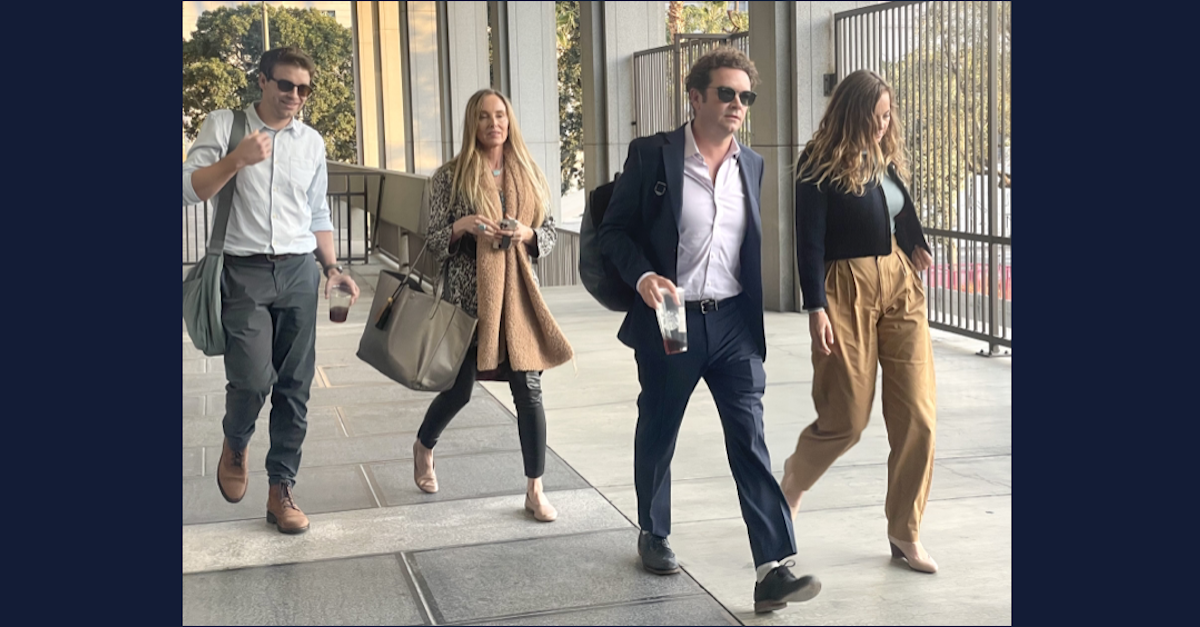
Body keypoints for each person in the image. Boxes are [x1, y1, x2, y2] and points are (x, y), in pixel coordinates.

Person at [598, 47, 821, 614]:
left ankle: (774, 566)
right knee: (660, 427)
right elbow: (614, 233)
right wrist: (644, 276)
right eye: (726, 93)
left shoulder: (753, 164)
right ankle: (654, 529)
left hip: (732, 322)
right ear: (695, 97)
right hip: (672, 317)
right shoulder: (653, 156)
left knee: (750, 436)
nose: (738, 105)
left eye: (746, 96)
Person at [182, 46, 360, 534]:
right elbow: (188, 188)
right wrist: (237, 160)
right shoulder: (224, 126)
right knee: (253, 379)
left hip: (300, 270)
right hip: (244, 272)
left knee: (295, 386)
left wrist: (332, 268)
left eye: (304, 89)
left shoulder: (311, 143)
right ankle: (236, 441)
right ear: (262, 81)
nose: (295, 97)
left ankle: (281, 488)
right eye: (286, 85)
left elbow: (317, 213)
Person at [782, 68, 939, 573]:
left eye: (887, 116)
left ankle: (905, 531)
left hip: (899, 284)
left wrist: (914, 241)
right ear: (851, 114)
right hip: (842, 286)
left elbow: (896, 206)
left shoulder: (885, 154)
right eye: (874, 117)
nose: (882, 125)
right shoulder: (817, 162)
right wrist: (815, 307)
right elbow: (807, 240)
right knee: (845, 417)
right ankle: (793, 482)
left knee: (918, 414)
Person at [412, 88, 574, 522]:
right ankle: (424, 446)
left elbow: (551, 232)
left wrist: (527, 234)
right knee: (459, 388)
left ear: (510, 120)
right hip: (468, 300)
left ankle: (535, 489)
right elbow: (430, 241)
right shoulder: (449, 176)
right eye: (484, 116)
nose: (493, 123)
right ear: (473, 123)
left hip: (518, 297)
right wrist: (461, 227)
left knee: (529, 391)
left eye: (500, 115)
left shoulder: (529, 172)